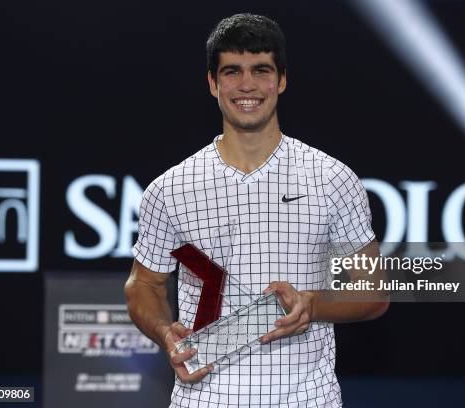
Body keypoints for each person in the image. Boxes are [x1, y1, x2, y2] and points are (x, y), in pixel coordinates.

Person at [125, 13, 389, 407]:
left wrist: (312, 305)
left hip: (307, 399)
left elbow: (374, 291)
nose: (247, 85)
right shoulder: (169, 189)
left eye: (261, 70)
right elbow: (143, 285)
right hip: (203, 400)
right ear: (213, 83)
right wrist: (165, 331)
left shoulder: (333, 178)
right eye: (232, 71)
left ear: (281, 79)